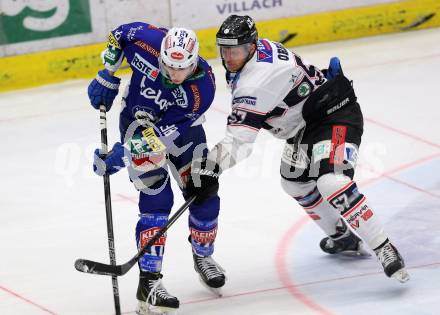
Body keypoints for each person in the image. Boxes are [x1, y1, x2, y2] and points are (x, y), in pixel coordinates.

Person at [187, 15, 410, 283]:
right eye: (225, 49)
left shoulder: (254, 82)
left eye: (235, 50)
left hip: (334, 114)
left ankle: (384, 247)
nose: (229, 56)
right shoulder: (255, 56)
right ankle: (342, 237)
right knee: (295, 183)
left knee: (332, 182)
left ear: (251, 46)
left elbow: (238, 144)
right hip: (305, 123)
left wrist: (211, 167)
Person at [88, 22, 226, 314]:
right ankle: (149, 284)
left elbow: (162, 137)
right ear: (161, 53)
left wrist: (122, 155)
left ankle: (203, 255)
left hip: (181, 134)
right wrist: (108, 73)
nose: (174, 74)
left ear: (195, 62)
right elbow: (119, 34)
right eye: (168, 66)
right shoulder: (146, 39)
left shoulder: (202, 89)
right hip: (135, 127)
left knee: (203, 193)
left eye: (182, 69)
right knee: (157, 201)